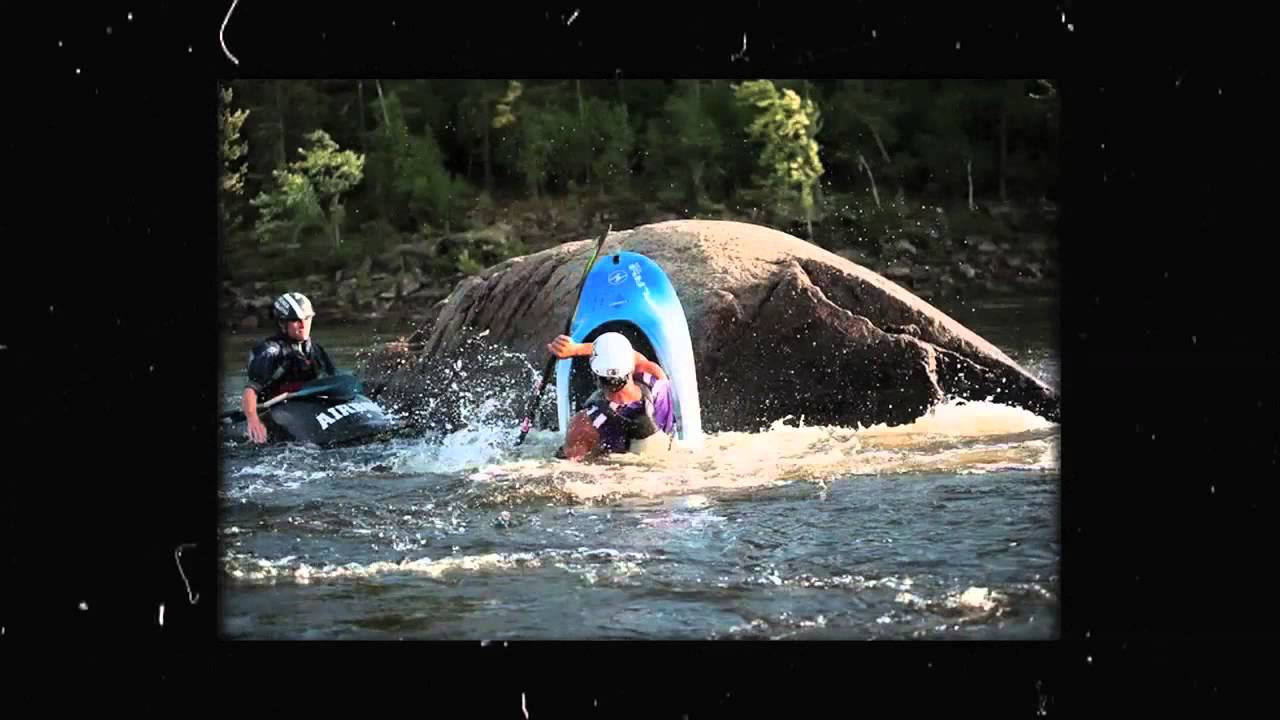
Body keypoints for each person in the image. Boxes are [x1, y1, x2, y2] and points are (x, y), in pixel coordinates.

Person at [546, 331, 675, 460]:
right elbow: (635, 358)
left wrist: (575, 349)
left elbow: (569, 465)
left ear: (594, 370)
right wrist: (578, 349)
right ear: (630, 365)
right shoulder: (656, 377)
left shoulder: (584, 425)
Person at [241, 291, 338, 443]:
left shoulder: (315, 349)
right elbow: (250, 391)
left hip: (306, 406)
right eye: (296, 320)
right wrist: (253, 420)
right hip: (276, 410)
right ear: (282, 323)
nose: (303, 325)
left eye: (306, 318)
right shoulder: (270, 351)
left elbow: (334, 380)